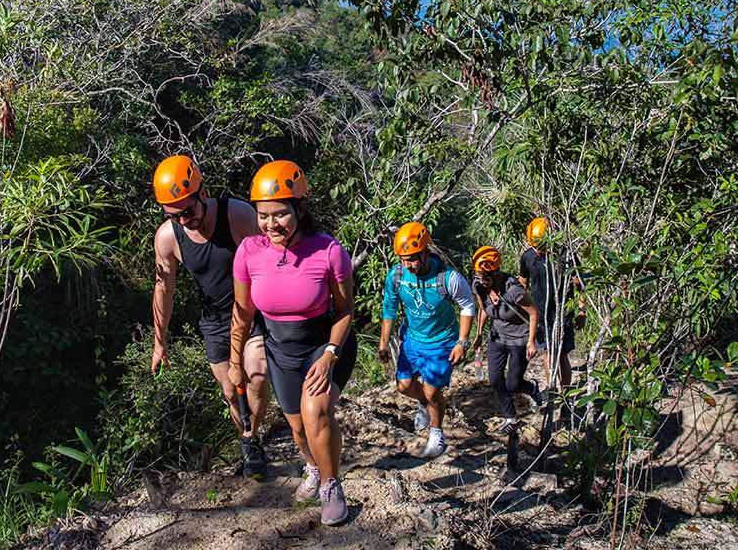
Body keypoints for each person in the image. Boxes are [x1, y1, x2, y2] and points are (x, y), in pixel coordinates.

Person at [229, 160, 357, 527]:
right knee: (298, 428)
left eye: (281, 214)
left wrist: (330, 355)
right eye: (263, 215)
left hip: (325, 344)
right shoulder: (249, 253)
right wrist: (236, 360)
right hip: (280, 349)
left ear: (300, 208)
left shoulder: (329, 251)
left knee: (316, 410)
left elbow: (345, 312)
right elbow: (241, 313)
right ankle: (313, 468)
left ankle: (332, 486)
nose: (271, 224)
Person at [150, 154, 269, 478]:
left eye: (188, 211)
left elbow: (272, 257)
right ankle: (249, 438)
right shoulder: (168, 238)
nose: (185, 220)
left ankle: (251, 438)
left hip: (253, 309)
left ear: (203, 193)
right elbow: (164, 288)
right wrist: (160, 343)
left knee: (256, 374)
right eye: (175, 215)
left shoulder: (238, 215)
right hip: (215, 319)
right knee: (231, 391)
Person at [378, 222, 476, 458]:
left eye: (412, 258)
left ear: (424, 252)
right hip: (412, 340)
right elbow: (389, 307)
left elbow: (467, 305)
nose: (408, 265)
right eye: (404, 259)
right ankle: (424, 404)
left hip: (442, 341)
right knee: (403, 386)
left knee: (433, 392)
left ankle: (437, 435)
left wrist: (462, 342)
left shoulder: (447, 278)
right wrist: (383, 341)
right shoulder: (398, 276)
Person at [471, 245, 543, 433]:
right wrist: (478, 334)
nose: (482, 281)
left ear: (495, 273)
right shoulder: (478, 285)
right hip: (497, 337)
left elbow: (534, 313)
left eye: (486, 277)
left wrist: (532, 341)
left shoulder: (513, 290)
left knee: (513, 384)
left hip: (520, 338)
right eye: (479, 276)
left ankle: (532, 389)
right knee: (495, 380)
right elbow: (483, 310)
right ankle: (511, 418)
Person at [517, 217, 584, 397]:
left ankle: (567, 395)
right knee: (547, 353)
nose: (538, 251)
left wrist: (581, 310)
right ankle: (553, 389)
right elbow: (522, 283)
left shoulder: (566, 255)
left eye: (541, 247)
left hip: (563, 313)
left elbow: (580, 284)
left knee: (561, 355)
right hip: (540, 315)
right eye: (535, 246)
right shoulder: (528, 257)